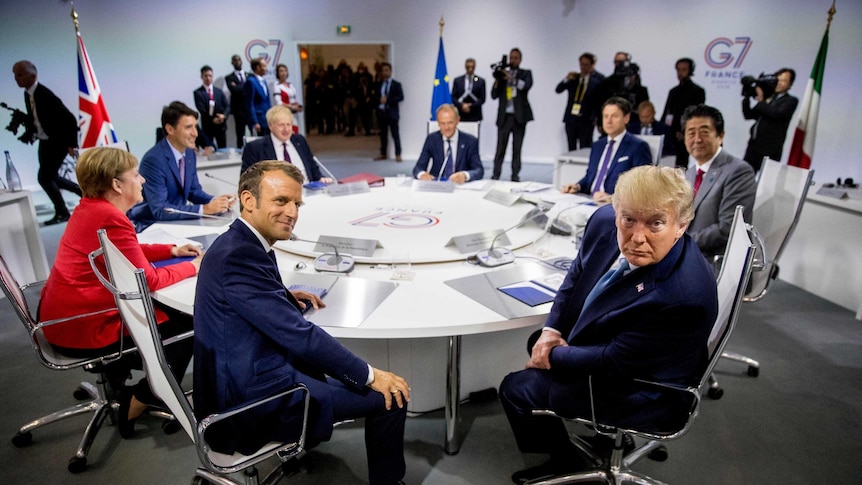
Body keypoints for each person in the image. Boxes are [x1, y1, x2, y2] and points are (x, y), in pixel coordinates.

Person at [193, 161, 409, 485]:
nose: (292, 212)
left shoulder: (240, 243)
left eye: (297, 203)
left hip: (243, 377)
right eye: (281, 201)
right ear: (248, 200)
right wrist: (370, 375)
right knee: (391, 397)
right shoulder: (239, 256)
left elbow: (247, 301)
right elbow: (302, 336)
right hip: (249, 404)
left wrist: (280, 297)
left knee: (344, 379)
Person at [500, 165, 718, 484]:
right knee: (538, 338)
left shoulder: (682, 296)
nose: (637, 237)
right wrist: (552, 332)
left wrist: (549, 356)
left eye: (655, 223)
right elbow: (577, 273)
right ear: (617, 211)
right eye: (628, 219)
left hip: (645, 389)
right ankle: (606, 433)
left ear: (681, 225)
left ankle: (563, 459)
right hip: (627, 352)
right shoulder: (605, 221)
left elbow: (614, 361)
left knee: (515, 388)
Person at [39, 146, 201, 438]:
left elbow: (127, 249)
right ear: (116, 184)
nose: (142, 181)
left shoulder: (91, 208)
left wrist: (172, 250)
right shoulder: (109, 217)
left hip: (61, 319)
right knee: (187, 326)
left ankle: (126, 380)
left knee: (171, 317)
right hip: (85, 327)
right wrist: (194, 266)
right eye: (136, 175)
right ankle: (141, 398)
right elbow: (148, 280)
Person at [128, 101, 234, 231]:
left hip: (178, 224)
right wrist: (205, 209)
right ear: (170, 129)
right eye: (188, 127)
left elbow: (194, 192)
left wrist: (218, 201)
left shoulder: (189, 153)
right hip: (152, 227)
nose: (195, 133)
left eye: (195, 127)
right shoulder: (153, 160)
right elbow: (161, 210)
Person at [682, 104, 756, 262]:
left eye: (704, 132)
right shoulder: (689, 173)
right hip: (686, 255)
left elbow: (727, 228)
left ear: (720, 135)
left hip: (713, 262)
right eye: (691, 133)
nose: (697, 139)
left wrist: (679, 242)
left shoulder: (739, 171)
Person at [11, 60, 82, 225]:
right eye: (15, 75)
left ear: (33, 76)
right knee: (50, 176)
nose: (16, 79)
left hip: (58, 141)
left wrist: (71, 144)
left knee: (44, 177)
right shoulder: (28, 93)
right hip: (45, 140)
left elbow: (70, 119)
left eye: (19, 75)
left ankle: (63, 211)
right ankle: (80, 193)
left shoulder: (44, 94)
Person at [561, 97, 651, 204]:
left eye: (614, 116)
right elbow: (591, 176)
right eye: (605, 116)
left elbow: (643, 188)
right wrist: (577, 186)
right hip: (588, 200)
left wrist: (613, 199)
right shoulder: (598, 145)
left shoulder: (638, 146)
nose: (609, 121)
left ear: (626, 118)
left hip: (613, 206)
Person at [240, 105, 332, 183]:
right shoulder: (255, 148)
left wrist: (321, 178)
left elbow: (313, 168)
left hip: (308, 192)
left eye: (289, 125)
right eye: (281, 125)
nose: (286, 129)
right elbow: (247, 182)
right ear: (270, 126)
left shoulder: (299, 140)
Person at [742, 68, 798, 172]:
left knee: (766, 183)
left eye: (784, 80)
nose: (779, 83)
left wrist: (761, 99)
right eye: (778, 79)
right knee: (744, 178)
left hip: (770, 150)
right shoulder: (769, 98)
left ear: (790, 85)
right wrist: (746, 97)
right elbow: (749, 115)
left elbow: (776, 114)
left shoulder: (790, 101)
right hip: (753, 146)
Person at [491, 48, 534, 182]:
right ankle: (496, 174)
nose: (513, 60)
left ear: (520, 59)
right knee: (500, 148)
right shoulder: (503, 75)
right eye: (511, 58)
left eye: (515, 58)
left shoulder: (525, 73)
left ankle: (515, 175)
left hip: (519, 117)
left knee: (517, 148)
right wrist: (498, 79)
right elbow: (493, 95)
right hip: (505, 117)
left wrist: (511, 77)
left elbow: (525, 86)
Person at [412, 104, 483, 183]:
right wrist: (422, 174)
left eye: (450, 123)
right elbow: (418, 167)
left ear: (457, 121)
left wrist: (464, 175)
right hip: (437, 186)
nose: (446, 128)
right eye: (442, 123)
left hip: (460, 187)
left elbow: (479, 170)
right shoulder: (432, 139)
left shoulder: (470, 141)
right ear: (438, 123)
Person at [661, 57, 706, 168]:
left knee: (680, 168)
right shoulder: (673, 91)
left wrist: (684, 131)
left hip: (683, 136)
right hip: (669, 134)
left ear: (690, 71)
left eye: (684, 70)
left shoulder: (697, 91)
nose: (680, 73)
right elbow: (666, 113)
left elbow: (696, 115)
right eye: (678, 70)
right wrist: (661, 129)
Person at [555, 53, 602, 151]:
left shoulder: (596, 82)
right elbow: (558, 90)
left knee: (585, 147)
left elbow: (597, 102)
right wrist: (566, 79)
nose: (583, 67)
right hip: (571, 118)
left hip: (586, 120)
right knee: (571, 147)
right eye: (581, 64)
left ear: (592, 66)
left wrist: (594, 118)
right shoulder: (574, 79)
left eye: (586, 65)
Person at [193, 65, 230, 149]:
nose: (208, 78)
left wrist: (223, 116)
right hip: (208, 126)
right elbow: (201, 109)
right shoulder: (198, 93)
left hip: (221, 125)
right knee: (209, 149)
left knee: (223, 148)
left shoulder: (219, 91)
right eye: (206, 76)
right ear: (201, 77)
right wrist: (213, 119)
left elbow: (227, 106)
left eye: (210, 76)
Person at [373, 62, 404, 162]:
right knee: (383, 135)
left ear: (390, 71)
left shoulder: (396, 84)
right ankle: (383, 153)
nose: (385, 73)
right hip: (382, 112)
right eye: (383, 71)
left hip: (392, 113)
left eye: (387, 70)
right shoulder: (378, 84)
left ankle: (398, 154)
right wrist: (379, 100)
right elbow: (374, 97)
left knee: (395, 134)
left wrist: (388, 100)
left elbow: (400, 97)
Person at [225, 54, 250, 148]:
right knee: (240, 134)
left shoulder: (249, 75)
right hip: (238, 110)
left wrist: (239, 87)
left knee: (254, 132)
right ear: (232, 63)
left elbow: (241, 89)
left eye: (239, 60)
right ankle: (241, 152)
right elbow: (234, 90)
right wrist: (246, 87)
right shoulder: (229, 77)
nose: (237, 62)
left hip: (250, 109)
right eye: (235, 60)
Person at [451, 58, 486, 123]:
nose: (470, 69)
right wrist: (462, 105)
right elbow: (453, 97)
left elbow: (482, 99)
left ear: (475, 67)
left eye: (472, 67)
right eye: (468, 67)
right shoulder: (457, 81)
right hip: (460, 114)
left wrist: (471, 105)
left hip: (475, 114)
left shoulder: (480, 81)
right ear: (465, 67)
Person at [244, 57, 272, 137]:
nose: (266, 69)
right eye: (264, 66)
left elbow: (267, 101)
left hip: (267, 119)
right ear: (257, 67)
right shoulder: (250, 82)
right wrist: (255, 122)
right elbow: (250, 103)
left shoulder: (263, 81)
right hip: (259, 120)